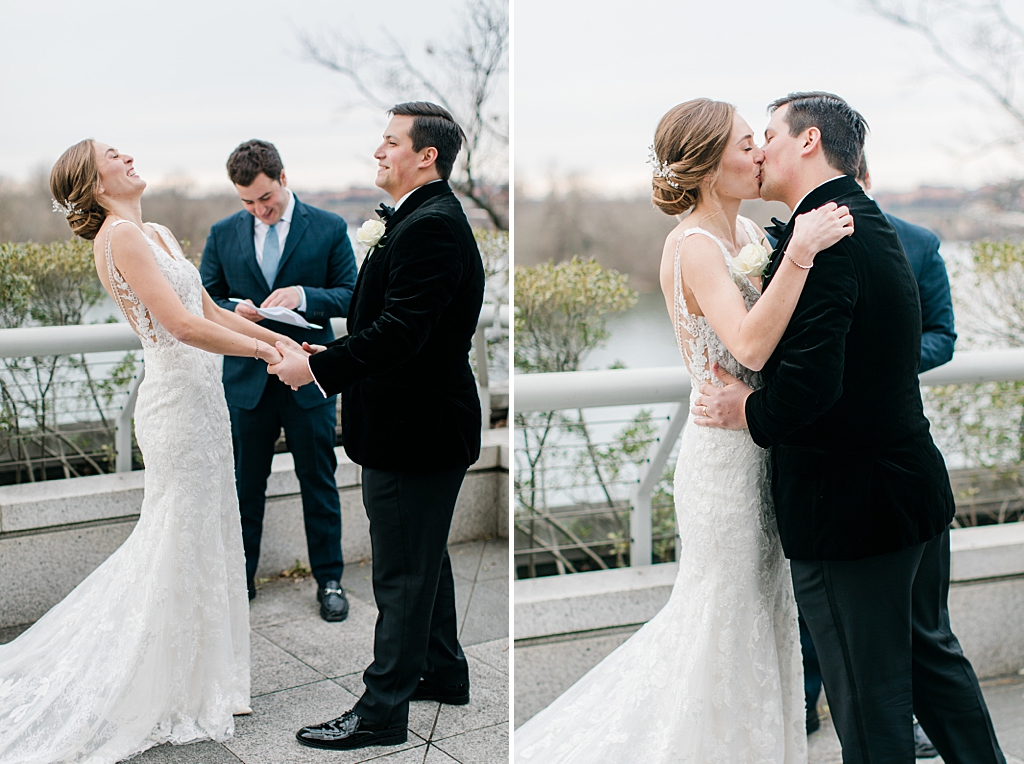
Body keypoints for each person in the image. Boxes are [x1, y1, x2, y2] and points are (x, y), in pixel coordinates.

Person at [513, 98, 855, 763]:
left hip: (767, 448)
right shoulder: (691, 244)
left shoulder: (757, 238)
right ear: (703, 163)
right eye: (746, 143)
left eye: (761, 141)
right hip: (723, 462)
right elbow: (751, 347)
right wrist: (804, 253)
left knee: (767, 612)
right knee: (722, 616)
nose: (760, 152)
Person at [695, 91, 1004, 762]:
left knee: (869, 704)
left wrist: (742, 408)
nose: (760, 149)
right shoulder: (865, 221)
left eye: (768, 134)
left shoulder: (825, 241)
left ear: (808, 142)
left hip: (852, 511)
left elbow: (808, 389)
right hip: (907, 492)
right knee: (930, 666)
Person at [0, 140, 297, 763]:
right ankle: (164, 679)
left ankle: (205, 675)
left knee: (206, 532)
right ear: (95, 179)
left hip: (204, 400)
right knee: (177, 537)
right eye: (115, 155)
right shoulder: (121, 238)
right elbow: (182, 327)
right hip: (176, 407)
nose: (129, 157)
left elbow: (208, 307)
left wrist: (279, 338)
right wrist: (269, 356)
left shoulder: (154, 230)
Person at [268, 101, 485, 751]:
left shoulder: (432, 226)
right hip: (415, 425)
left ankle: (383, 708)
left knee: (400, 571)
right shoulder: (419, 219)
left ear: (427, 156)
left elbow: (404, 333)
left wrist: (320, 371)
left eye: (390, 143)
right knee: (422, 558)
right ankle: (443, 672)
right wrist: (326, 354)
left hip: (415, 432)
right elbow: (390, 324)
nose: (378, 152)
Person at [800, 154, 958, 754]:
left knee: (903, 640)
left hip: (888, 464)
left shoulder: (915, 242)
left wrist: (878, 362)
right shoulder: (790, 241)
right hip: (823, 466)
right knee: (828, 626)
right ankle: (805, 710)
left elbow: (942, 335)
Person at [200, 139, 358, 621]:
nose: (258, 209)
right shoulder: (223, 232)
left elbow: (352, 296)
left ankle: (329, 580)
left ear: (283, 179)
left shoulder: (328, 227)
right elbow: (204, 297)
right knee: (245, 484)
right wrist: (235, 309)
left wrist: (304, 296)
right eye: (247, 202)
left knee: (319, 481)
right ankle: (240, 577)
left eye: (265, 198)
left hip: (310, 374)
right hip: (246, 380)